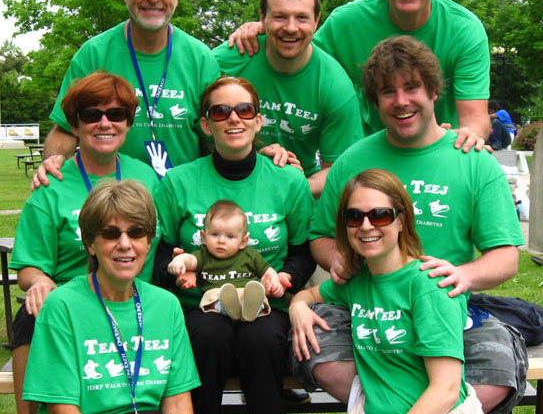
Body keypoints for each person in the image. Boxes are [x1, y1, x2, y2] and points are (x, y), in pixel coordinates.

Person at [305, 36, 526, 413]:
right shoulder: (353, 159)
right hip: (370, 302)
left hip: (447, 305)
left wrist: (463, 275)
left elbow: (506, 257)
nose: (401, 101)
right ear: (375, 102)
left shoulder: (472, 160)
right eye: (387, 92)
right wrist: (337, 259)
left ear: (434, 91)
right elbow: (321, 235)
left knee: (498, 368)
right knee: (317, 350)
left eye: (412, 88)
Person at [153, 76, 315, 414]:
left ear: (258, 121)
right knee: (207, 336)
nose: (233, 118)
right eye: (220, 111)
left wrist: (285, 279)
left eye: (244, 109)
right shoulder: (178, 181)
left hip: (265, 305)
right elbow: (161, 250)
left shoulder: (288, 179)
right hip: (200, 303)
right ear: (205, 124)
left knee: (261, 339)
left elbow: (302, 252)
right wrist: (176, 272)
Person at [228, 0, 490, 150]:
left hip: (436, 146)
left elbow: (474, 116)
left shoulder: (465, 30)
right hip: (367, 147)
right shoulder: (346, 22)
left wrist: (467, 138)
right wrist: (265, 29)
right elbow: (299, 55)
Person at [9, 72, 161, 414]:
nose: (104, 123)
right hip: (70, 304)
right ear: (74, 125)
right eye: (91, 115)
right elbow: (29, 266)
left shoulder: (148, 178)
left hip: (134, 301)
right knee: (32, 315)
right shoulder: (52, 185)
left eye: (116, 114)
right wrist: (40, 281)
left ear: (127, 123)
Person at [291, 169, 484, 413]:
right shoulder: (357, 281)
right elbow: (308, 295)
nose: (366, 226)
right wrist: (297, 308)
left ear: (402, 220)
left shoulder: (428, 286)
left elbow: (446, 389)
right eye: (353, 216)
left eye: (380, 215)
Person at [37, 0, 221, 184]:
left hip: (182, 201)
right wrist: (53, 164)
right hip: (111, 204)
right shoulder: (94, 54)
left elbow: (218, 135)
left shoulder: (200, 58)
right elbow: (64, 128)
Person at [23, 180, 200, 413]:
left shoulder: (166, 306)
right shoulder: (62, 306)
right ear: (90, 244)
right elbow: (63, 408)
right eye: (110, 233)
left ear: (148, 243)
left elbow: (177, 403)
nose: (125, 244)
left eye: (136, 232)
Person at [213, 0, 363, 197]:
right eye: (280, 17)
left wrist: (291, 185)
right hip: (224, 178)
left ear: (317, 20)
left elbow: (340, 169)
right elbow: (197, 124)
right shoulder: (229, 59)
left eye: (302, 18)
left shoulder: (335, 85)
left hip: (295, 184)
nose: (291, 28)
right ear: (262, 18)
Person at [167, 200, 285, 321]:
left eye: (230, 236)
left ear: (243, 241)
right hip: (218, 295)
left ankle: (252, 309)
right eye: (214, 234)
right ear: (203, 236)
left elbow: (268, 271)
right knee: (212, 296)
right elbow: (190, 260)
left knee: (257, 295)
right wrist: (180, 260)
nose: (221, 241)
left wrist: (275, 283)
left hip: (246, 294)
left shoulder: (250, 255)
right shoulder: (204, 255)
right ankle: (227, 307)